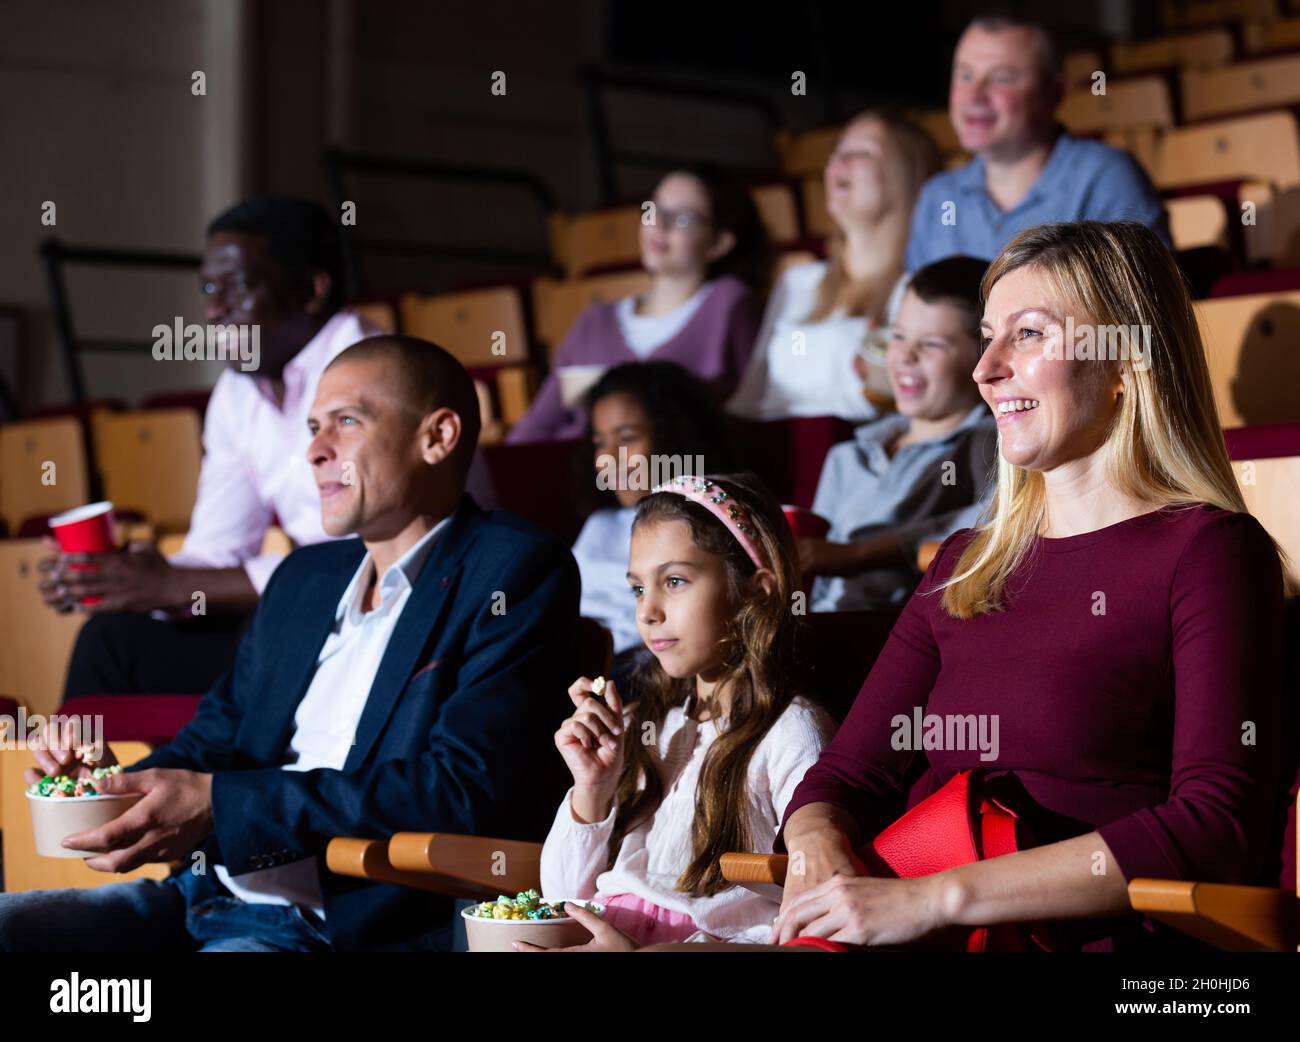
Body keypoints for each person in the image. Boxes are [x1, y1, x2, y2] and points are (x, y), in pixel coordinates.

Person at [770, 221, 1287, 951]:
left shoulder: (1210, 552)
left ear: (1123, 361)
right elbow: (843, 780)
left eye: (1029, 334)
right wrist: (819, 846)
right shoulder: (962, 564)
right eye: (987, 336)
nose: (985, 369)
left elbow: (1216, 824)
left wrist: (938, 899)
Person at [1, 335, 580, 952]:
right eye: (311, 427)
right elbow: (214, 739)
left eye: (346, 422)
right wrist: (117, 788)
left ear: (437, 437)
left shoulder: (513, 571)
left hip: (333, 927)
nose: (314, 450)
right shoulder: (302, 578)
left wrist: (221, 806)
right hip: (202, 895)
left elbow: (460, 791)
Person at [41, 196, 379, 699]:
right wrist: (128, 578)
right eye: (208, 288)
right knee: (112, 642)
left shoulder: (375, 369)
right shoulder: (238, 391)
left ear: (311, 290)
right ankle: (76, 781)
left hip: (382, 615)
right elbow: (219, 550)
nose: (213, 309)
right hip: (299, 609)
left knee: (266, 642)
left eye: (237, 286)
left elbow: (378, 554)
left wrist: (177, 587)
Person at [529, 473, 835, 949]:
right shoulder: (638, 724)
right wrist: (593, 788)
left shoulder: (791, 731)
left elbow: (807, 917)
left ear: (756, 591)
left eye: (674, 581)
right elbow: (566, 900)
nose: (647, 611)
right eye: (637, 588)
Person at [507, 166, 770, 443]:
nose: (659, 225)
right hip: (588, 475)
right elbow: (532, 431)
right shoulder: (593, 321)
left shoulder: (729, 303)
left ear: (719, 242)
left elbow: (753, 421)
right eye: (653, 210)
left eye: (682, 218)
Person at [801, 256, 997, 611]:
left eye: (933, 344)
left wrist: (858, 554)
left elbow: (995, 525)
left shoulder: (986, 441)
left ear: (983, 355)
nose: (905, 356)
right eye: (898, 336)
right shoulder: (847, 457)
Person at [904, 14, 1169, 273]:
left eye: (1001, 78)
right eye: (965, 76)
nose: (974, 96)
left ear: (1053, 93)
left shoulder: (1106, 176)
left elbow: (1141, 304)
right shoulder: (937, 197)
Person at [728, 109, 940, 422]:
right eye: (836, 151)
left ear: (905, 175)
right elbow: (750, 398)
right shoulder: (798, 281)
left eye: (860, 153)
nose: (838, 162)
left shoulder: (919, 291)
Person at [572, 362, 734, 664]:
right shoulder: (599, 526)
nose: (609, 458)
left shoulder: (710, 523)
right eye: (599, 443)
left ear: (673, 438)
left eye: (627, 438)